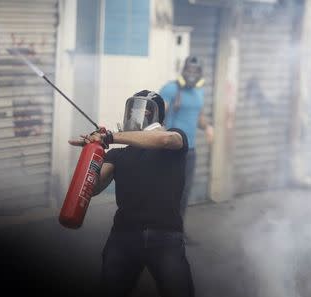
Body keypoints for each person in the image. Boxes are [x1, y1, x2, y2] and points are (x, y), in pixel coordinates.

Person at [69, 90, 194, 297]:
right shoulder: (118, 154)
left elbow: (164, 140)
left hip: (166, 235)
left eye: (145, 111)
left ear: (157, 115)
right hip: (124, 235)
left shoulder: (174, 138)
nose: (138, 116)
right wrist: (93, 151)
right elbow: (94, 189)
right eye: (134, 110)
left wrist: (110, 136)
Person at [159, 56, 214, 228]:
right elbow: (157, 116)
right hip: (172, 149)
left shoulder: (199, 92)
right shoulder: (170, 89)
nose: (191, 74)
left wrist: (208, 128)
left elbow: (198, 117)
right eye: (189, 70)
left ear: (200, 74)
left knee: (184, 191)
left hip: (190, 150)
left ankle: (177, 230)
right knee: (167, 190)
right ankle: (160, 229)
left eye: (195, 71)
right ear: (183, 71)